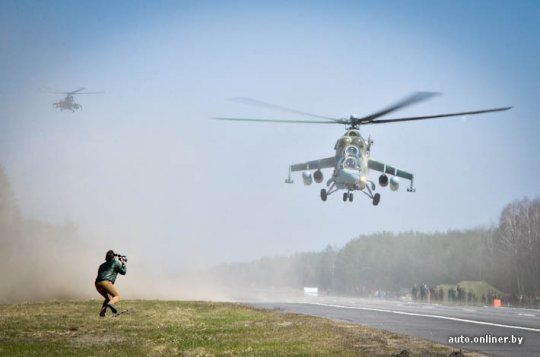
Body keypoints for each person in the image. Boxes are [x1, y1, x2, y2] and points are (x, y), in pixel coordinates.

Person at [95, 250, 127, 317]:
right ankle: (111, 304)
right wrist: (123, 263)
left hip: (97, 283)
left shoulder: (102, 265)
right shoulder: (115, 263)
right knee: (117, 296)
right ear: (113, 257)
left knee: (108, 298)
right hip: (106, 282)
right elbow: (123, 272)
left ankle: (102, 314)